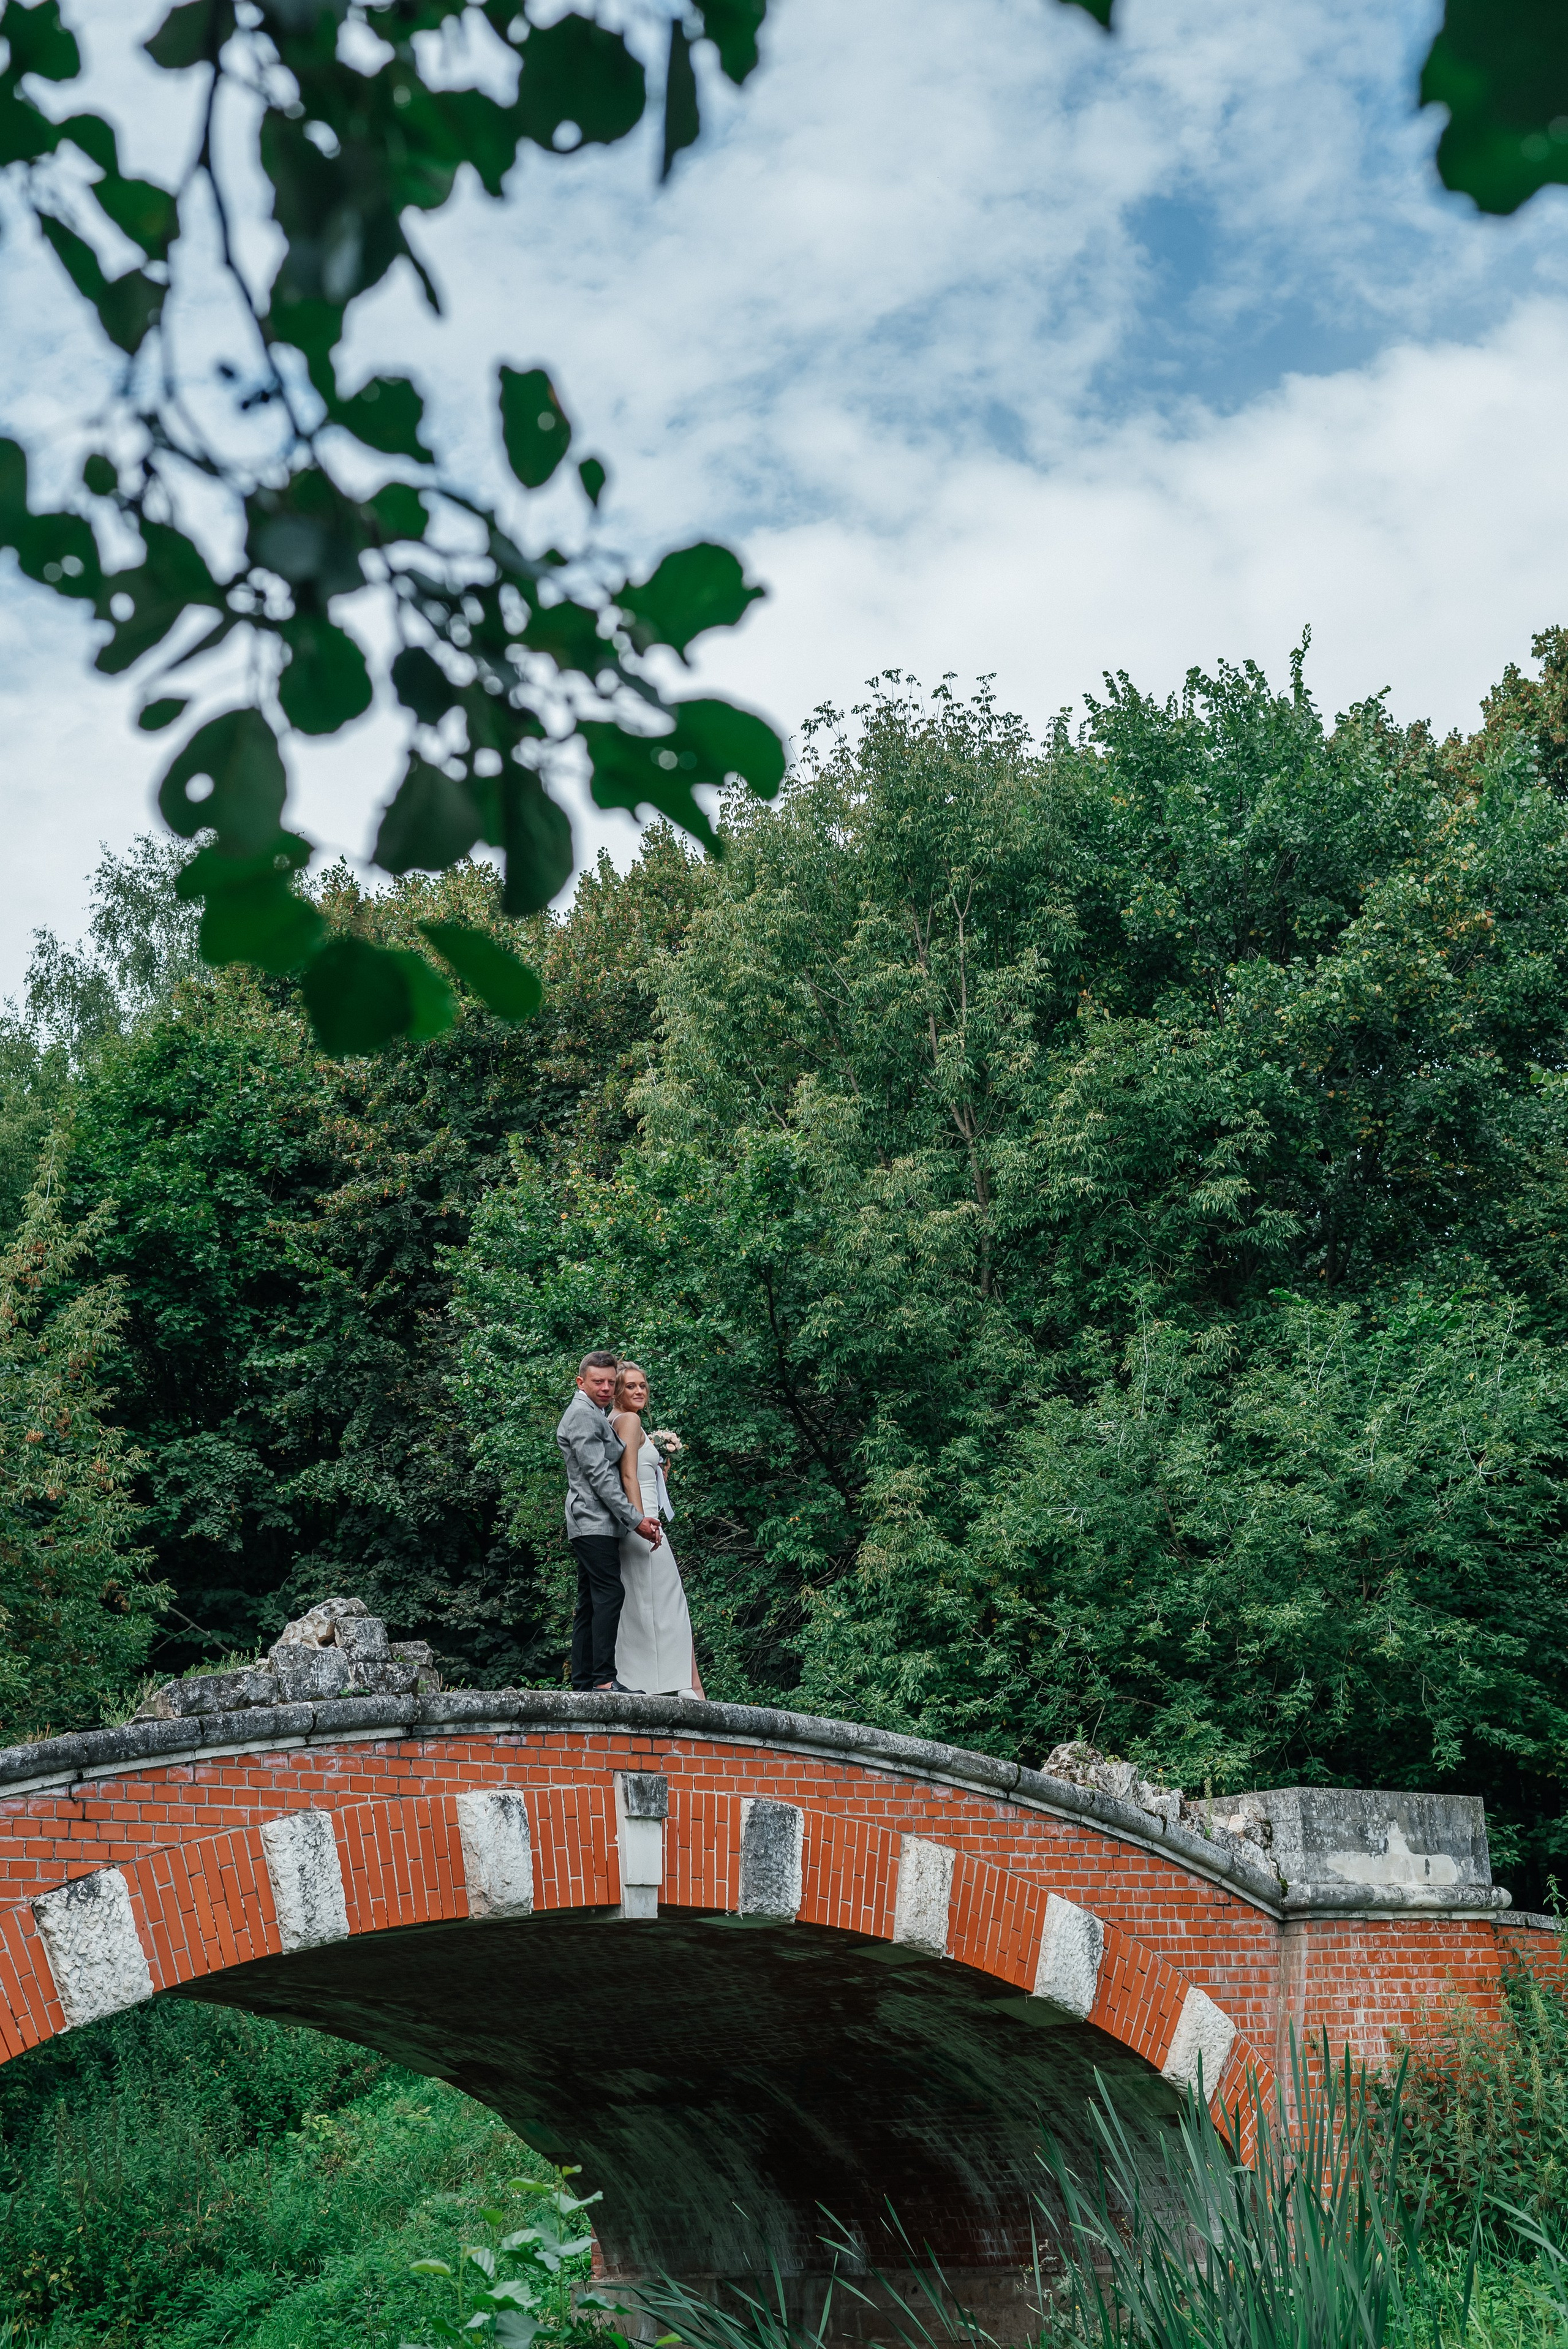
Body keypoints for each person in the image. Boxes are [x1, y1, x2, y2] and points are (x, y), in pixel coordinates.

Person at [556, 1349, 662, 1694]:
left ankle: (585, 1682)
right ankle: (603, 1679)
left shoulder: (594, 1412)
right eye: (597, 1381)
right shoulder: (583, 1415)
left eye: (609, 1382)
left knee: (589, 1601)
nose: (605, 1387)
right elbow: (600, 1476)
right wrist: (636, 1520)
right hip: (592, 1520)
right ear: (580, 1382)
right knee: (610, 1593)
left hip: (596, 1521)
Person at [611, 1363, 703, 1699]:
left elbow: (637, 1472)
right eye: (631, 1386)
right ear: (618, 1391)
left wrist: (659, 1470)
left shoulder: (620, 1422)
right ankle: (685, 1685)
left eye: (643, 1386)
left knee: (642, 1604)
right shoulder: (630, 1421)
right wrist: (640, 1521)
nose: (639, 1392)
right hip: (644, 1523)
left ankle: (651, 1681)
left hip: (636, 1521)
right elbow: (628, 1476)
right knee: (670, 1602)